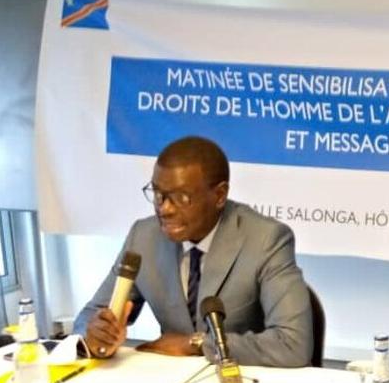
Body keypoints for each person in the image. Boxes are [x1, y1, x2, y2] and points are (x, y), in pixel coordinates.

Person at [74, 135, 313, 367]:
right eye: (158, 194)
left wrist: (197, 343)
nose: (165, 209)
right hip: (170, 382)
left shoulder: (266, 239)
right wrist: (96, 335)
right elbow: (88, 317)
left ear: (219, 195)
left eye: (181, 197)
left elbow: (293, 344)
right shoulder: (143, 237)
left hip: (245, 380)